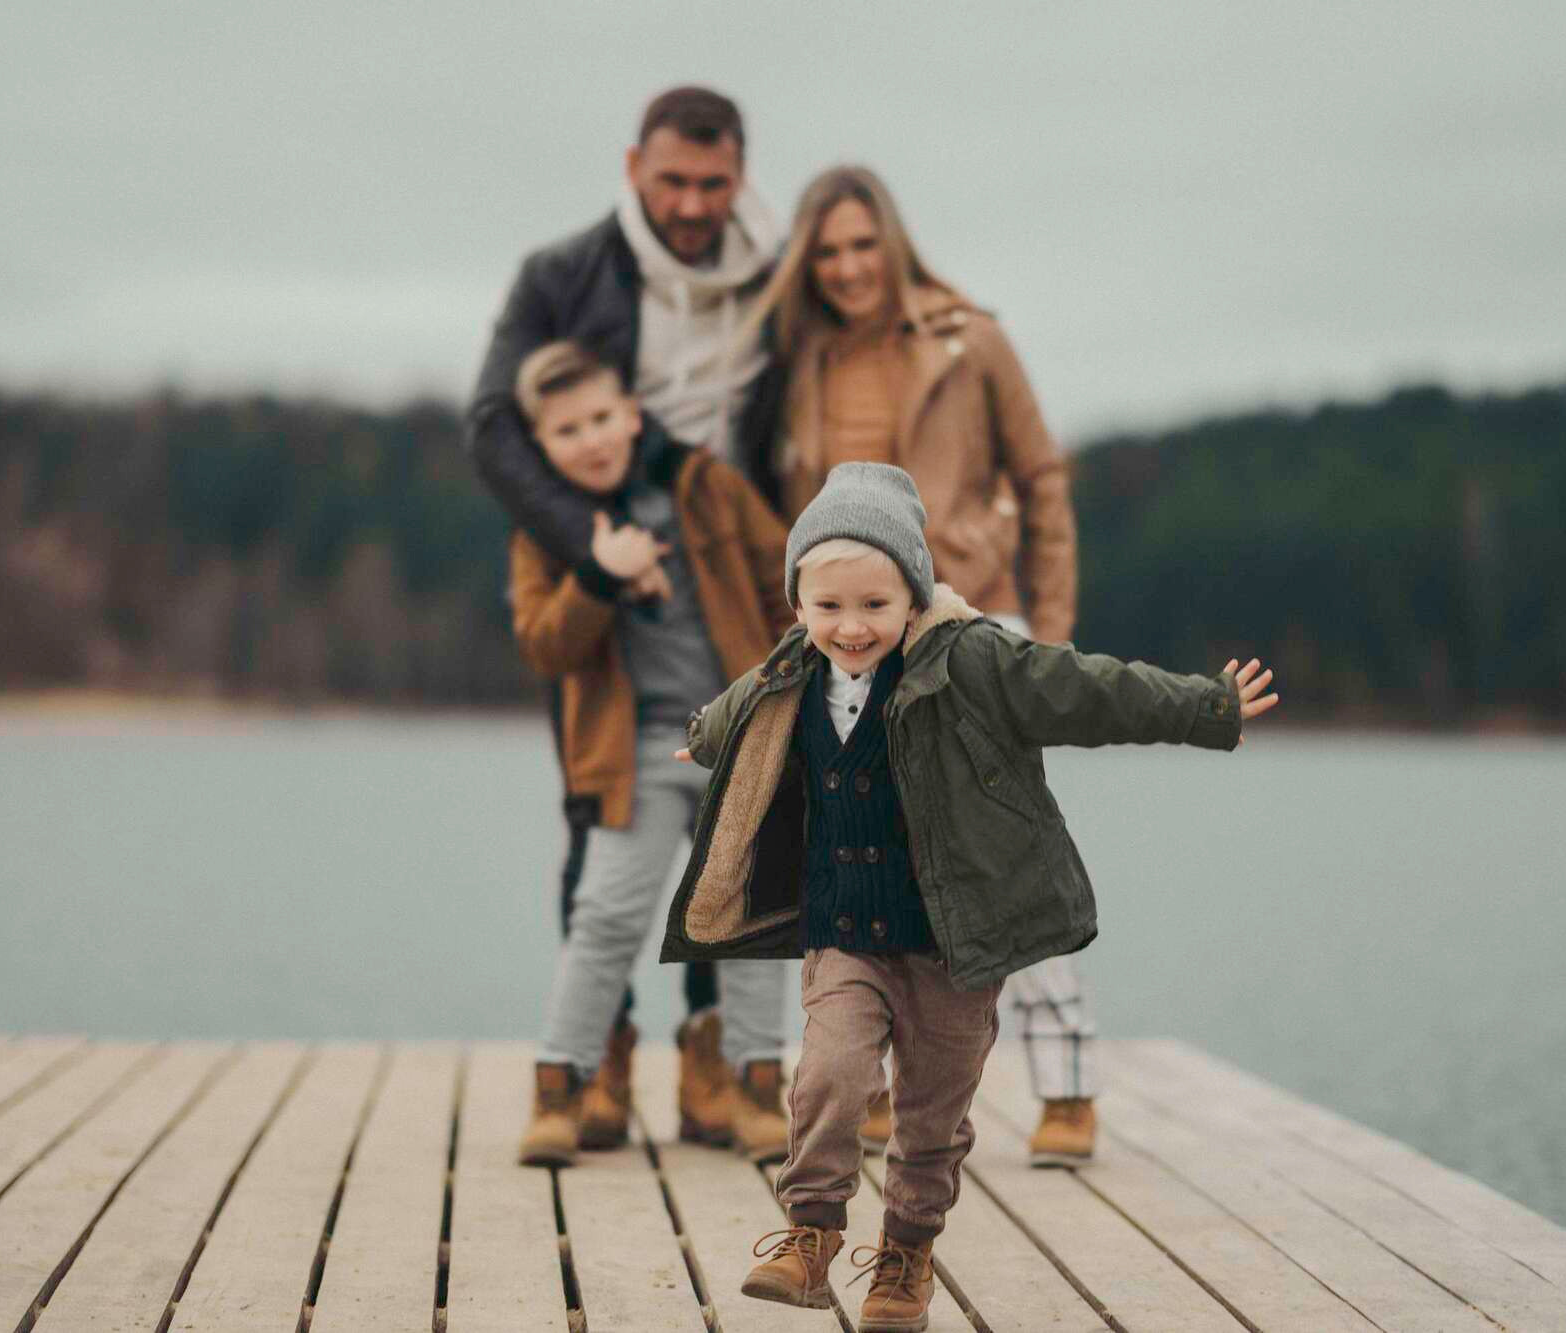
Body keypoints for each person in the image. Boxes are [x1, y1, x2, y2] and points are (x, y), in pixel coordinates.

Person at [660, 463, 1277, 1327]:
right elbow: (739, 708)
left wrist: (1205, 707)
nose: (850, 627)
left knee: (930, 1113)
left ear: (914, 595)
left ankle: (906, 1255)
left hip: (953, 941)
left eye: (874, 605)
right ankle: (811, 1232)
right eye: (827, 606)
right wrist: (704, 736)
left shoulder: (974, 660)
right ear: (798, 601)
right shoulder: (791, 670)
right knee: (831, 1072)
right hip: (845, 931)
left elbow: (1088, 690)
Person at [740, 164, 1098, 1164]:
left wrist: (1049, 636)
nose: (849, 268)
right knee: (868, 857)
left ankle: (1066, 1085)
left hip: (967, 617)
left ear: (891, 242)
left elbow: (1041, 477)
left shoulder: (968, 337)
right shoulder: (799, 361)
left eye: (863, 245)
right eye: (828, 252)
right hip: (852, 631)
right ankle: (887, 1084)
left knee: (991, 850)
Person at [466, 85, 789, 1144]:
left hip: (730, 565)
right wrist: (591, 547)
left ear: (738, 175)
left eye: (711, 182)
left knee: (742, 884)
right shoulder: (562, 276)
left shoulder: (775, 272)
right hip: (608, 586)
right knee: (598, 843)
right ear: (632, 167)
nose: (691, 202)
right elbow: (494, 426)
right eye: (670, 181)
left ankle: (722, 1068)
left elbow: (875, 317)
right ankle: (591, 1061)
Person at [507, 341, 797, 1167]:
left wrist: (788, 690)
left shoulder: (705, 487)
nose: (592, 439)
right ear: (542, 446)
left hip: (739, 737)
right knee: (605, 914)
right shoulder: (549, 533)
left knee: (750, 916)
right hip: (635, 754)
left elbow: (790, 582)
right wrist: (599, 575)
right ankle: (560, 1084)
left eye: (603, 418)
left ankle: (754, 1084)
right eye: (568, 430)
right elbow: (543, 647)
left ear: (632, 415)